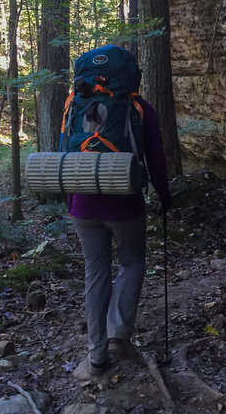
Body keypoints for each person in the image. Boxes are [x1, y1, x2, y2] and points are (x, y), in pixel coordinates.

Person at [68, 56, 172, 376]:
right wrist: (165, 196)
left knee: (95, 273)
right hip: (124, 203)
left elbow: (64, 149)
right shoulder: (139, 108)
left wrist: (70, 200)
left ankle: (96, 354)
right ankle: (118, 334)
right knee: (132, 262)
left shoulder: (77, 105)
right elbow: (155, 157)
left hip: (83, 205)